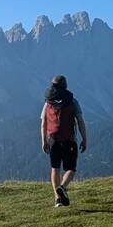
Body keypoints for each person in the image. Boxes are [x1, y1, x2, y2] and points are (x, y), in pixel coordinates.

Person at [40, 75, 87, 207]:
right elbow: (80, 121)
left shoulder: (48, 102)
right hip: (69, 140)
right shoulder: (72, 101)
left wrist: (44, 141)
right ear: (65, 85)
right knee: (70, 169)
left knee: (55, 168)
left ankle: (57, 199)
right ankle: (63, 187)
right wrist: (84, 139)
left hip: (52, 140)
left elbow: (43, 123)